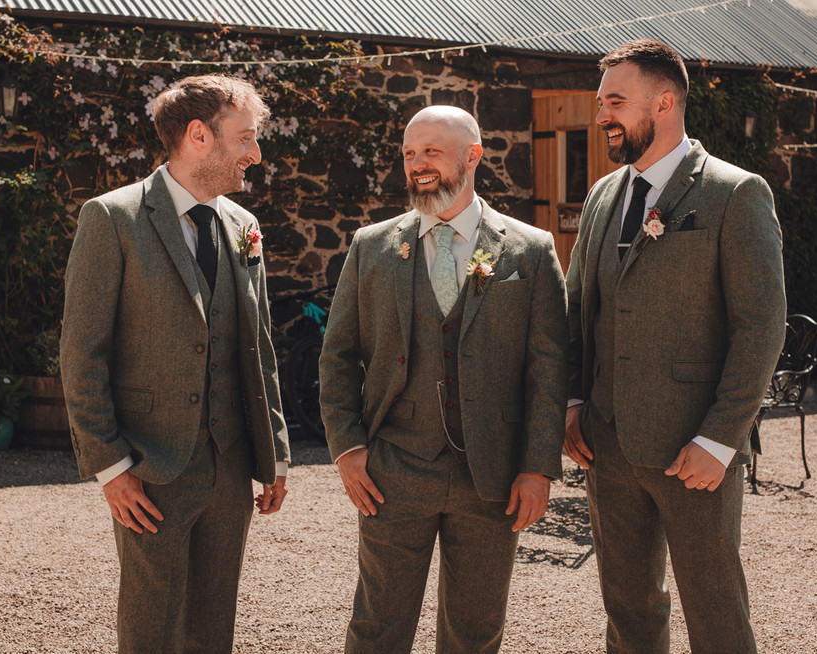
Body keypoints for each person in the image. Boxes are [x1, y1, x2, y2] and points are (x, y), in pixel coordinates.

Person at [564, 40, 786, 653]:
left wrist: (720, 439)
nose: (602, 115)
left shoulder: (736, 193)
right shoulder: (603, 196)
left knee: (717, 618)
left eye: (615, 101)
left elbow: (761, 326)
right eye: (600, 101)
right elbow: (577, 308)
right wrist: (573, 401)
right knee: (629, 612)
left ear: (663, 102)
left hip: (696, 452)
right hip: (607, 448)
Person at [319, 105, 567, 653]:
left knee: (476, 632)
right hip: (392, 470)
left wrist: (537, 466)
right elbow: (337, 356)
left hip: (494, 476)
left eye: (432, 150)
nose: (418, 164)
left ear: (472, 155)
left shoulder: (529, 249)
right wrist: (347, 448)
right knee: (376, 627)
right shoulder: (372, 246)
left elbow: (548, 369)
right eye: (409, 153)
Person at [60, 74, 290, 654]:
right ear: (198, 135)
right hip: (149, 468)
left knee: (215, 627)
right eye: (246, 138)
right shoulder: (112, 218)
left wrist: (275, 453)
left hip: (232, 465)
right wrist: (111, 468)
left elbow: (258, 348)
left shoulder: (242, 227)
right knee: (152, 628)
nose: (255, 155)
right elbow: (81, 353)